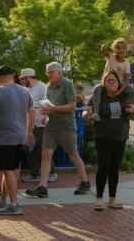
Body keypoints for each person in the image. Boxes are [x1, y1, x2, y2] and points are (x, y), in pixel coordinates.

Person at [27, 62, 91, 198]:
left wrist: (52, 109)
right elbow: (47, 102)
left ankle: (84, 182)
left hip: (66, 126)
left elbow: (72, 106)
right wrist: (46, 113)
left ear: (59, 72)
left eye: (51, 72)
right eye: (47, 73)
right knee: (45, 154)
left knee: (73, 155)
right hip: (51, 126)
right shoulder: (48, 86)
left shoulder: (67, 84)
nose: (48, 75)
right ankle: (42, 187)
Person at [85, 71, 134, 210]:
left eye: (113, 80)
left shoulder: (124, 96)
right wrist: (88, 113)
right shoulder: (99, 96)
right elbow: (85, 113)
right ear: (103, 83)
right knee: (103, 166)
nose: (111, 82)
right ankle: (99, 198)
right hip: (102, 136)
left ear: (118, 83)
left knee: (114, 168)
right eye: (108, 80)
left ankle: (112, 199)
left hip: (120, 136)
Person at [0, 66, 35, 215]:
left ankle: (14, 204)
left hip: (5, 137)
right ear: (13, 75)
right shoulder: (24, 91)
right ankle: (2, 199)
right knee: (13, 170)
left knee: (7, 170)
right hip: (20, 136)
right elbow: (31, 111)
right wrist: (29, 131)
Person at [18, 68, 57, 184]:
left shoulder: (42, 87)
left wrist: (48, 115)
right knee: (29, 149)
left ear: (28, 77)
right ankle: (34, 173)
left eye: (22, 78)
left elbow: (50, 102)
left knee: (43, 149)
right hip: (29, 125)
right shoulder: (26, 89)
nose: (21, 81)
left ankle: (52, 172)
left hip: (41, 125)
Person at [92, 39, 134, 121]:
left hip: (118, 84)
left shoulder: (126, 63)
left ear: (126, 50)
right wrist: (104, 47)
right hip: (106, 82)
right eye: (118, 48)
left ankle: (130, 111)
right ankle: (96, 113)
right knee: (97, 89)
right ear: (114, 49)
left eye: (123, 48)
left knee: (131, 90)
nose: (120, 50)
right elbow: (104, 51)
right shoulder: (111, 57)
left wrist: (119, 91)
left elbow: (126, 82)